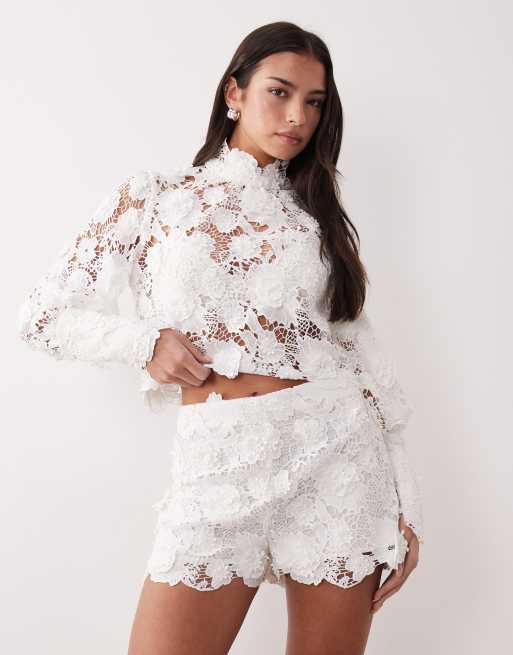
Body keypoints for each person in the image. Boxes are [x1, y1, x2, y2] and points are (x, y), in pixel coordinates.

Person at [17, 20, 424, 655]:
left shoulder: (313, 219)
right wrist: (145, 343)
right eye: (279, 92)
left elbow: (359, 352)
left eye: (314, 102)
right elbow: (43, 317)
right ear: (234, 92)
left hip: (340, 461)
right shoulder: (155, 198)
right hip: (219, 464)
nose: (297, 117)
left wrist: (407, 501)